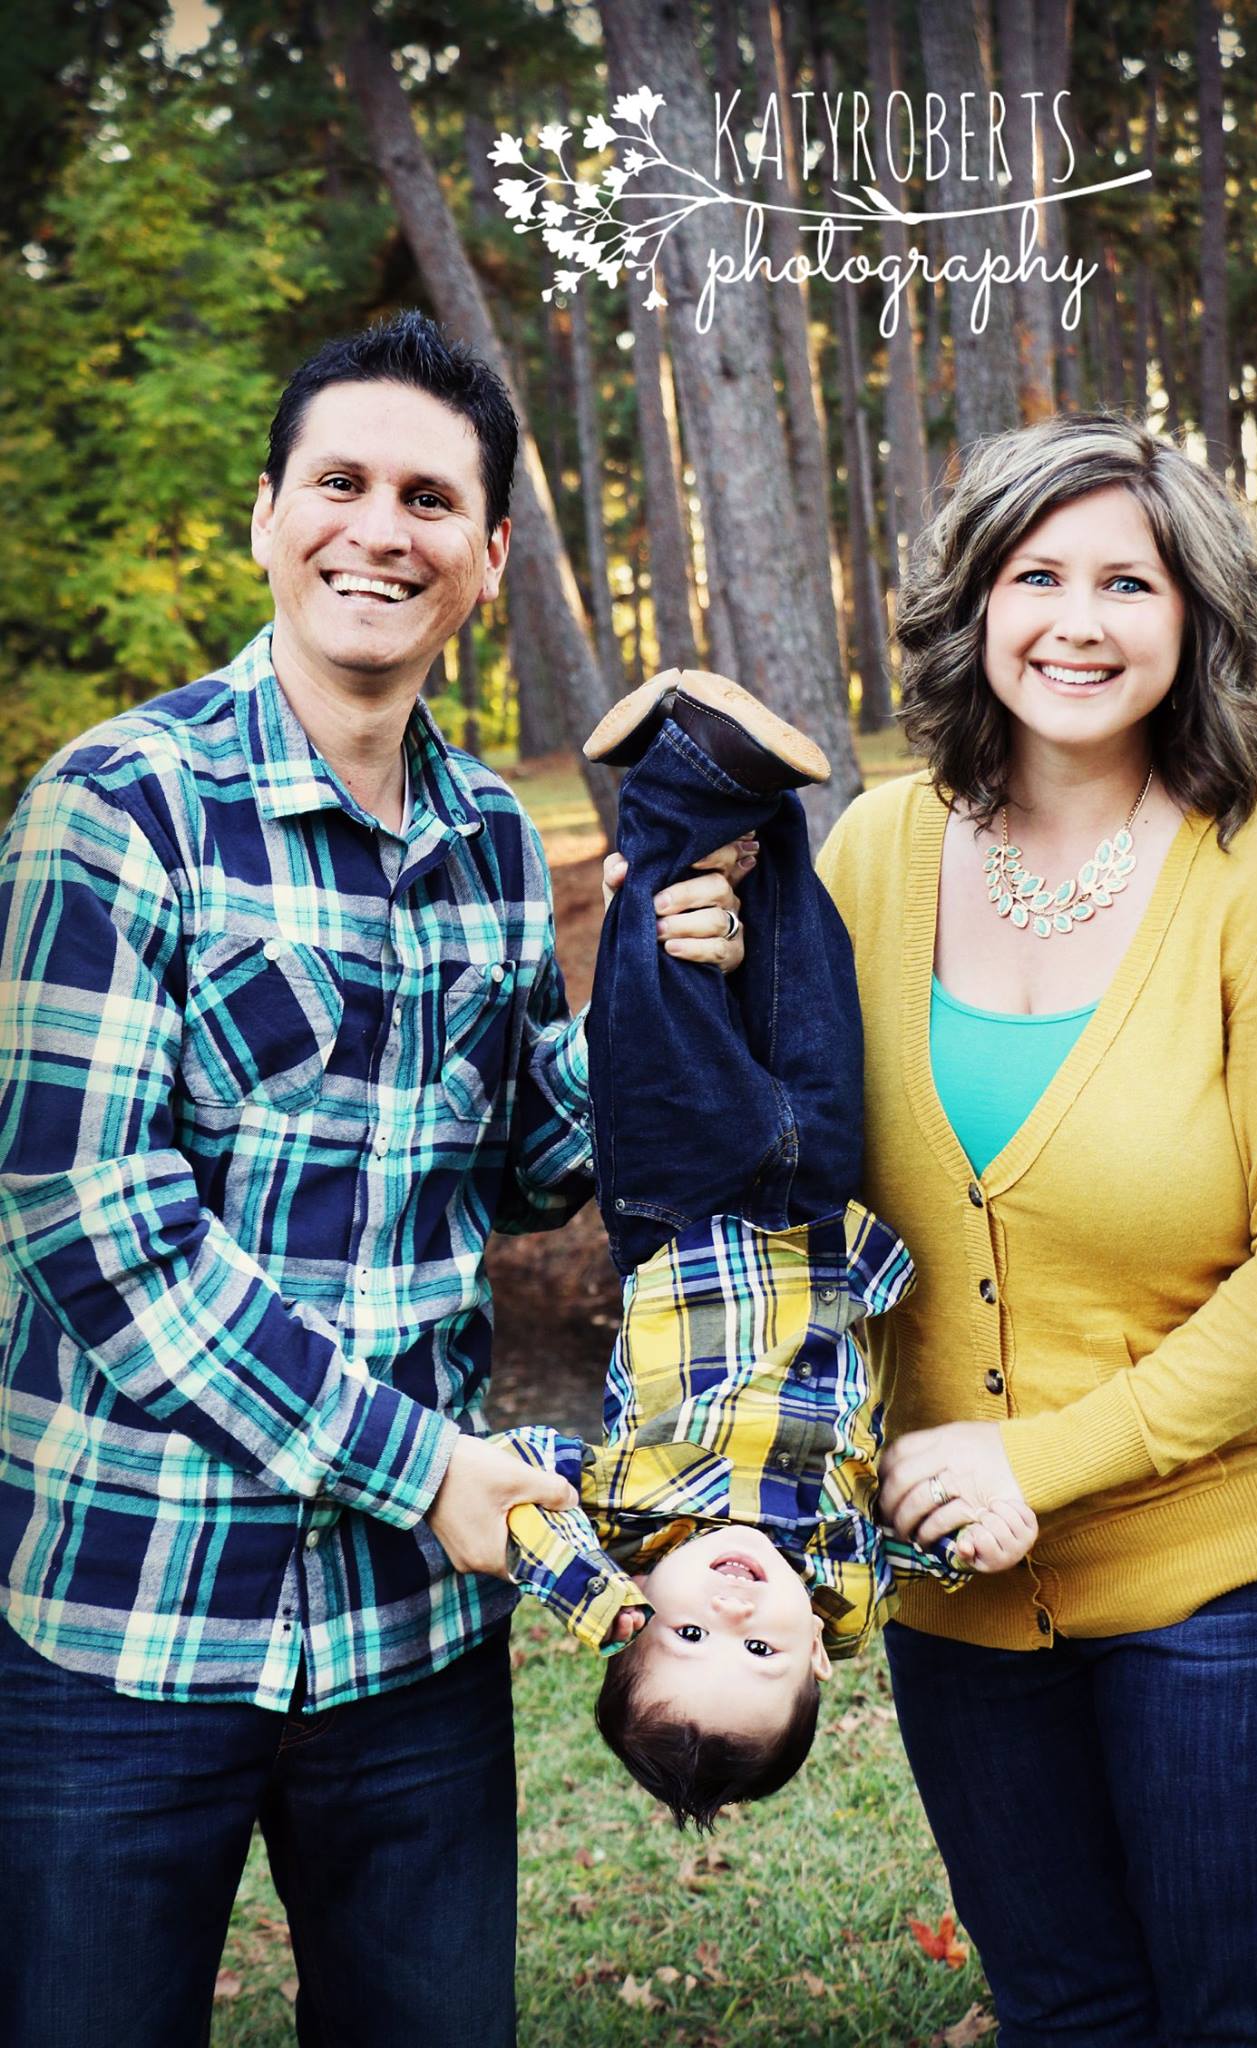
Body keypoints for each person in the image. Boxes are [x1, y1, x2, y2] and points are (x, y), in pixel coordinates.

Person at [0, 313, 745, 2048]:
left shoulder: (489, 837)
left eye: (430, 499)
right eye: (339, 482)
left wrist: (661, 993)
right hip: (131, 1619)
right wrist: (425, 1470)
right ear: (268, 514)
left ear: (488, 557)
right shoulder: (116, 810)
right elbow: (96, 1231)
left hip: (407, 1646)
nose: (379, 530)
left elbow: (531, 1165)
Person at [816, 413, 1257, 2047]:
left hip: (1235, 1567)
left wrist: (1034, 1459)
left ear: (1193, 616)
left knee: (1248, 2013)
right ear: (974, 604)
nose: (1078, 620)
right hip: (959, 1587)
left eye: (1128, 581)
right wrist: (688, 947)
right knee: (1063, 2012)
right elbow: (776, 1159)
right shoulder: (872, 853)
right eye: (1036, 574)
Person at [487, 669, 1039, 1830]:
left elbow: (513, 1484)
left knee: (660, 987)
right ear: (821, 1659)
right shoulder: (850, 1571)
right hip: (821, 1206)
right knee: (805, 982)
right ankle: (760, 799)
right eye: (760, 1652)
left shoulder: (626, 1517)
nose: (732, 1612)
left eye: (685, 1632)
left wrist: (598, 1599)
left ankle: (672, 774)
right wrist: (984, 1532)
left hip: (680, 1212)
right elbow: (953, 1544)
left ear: (643, 1605)